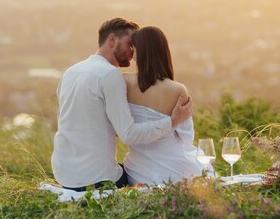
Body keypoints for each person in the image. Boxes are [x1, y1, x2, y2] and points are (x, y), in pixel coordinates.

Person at [51, 18, 193, 191]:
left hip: (65, 175)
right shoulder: (111, 75)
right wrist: (172, 121)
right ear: (112, 40)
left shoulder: (71, 72)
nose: (132, 53)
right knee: (139, 176)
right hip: (98, 179)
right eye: (129, 44)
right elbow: (129, 135)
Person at [123, 26, 206, 185]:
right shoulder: (178, 90)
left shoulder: (124, 83)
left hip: (138, 171)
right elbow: (187, 138)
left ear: (137, 52)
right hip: (174, 169)